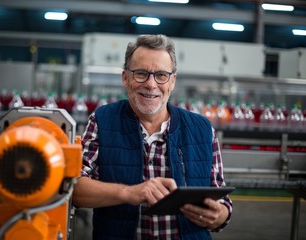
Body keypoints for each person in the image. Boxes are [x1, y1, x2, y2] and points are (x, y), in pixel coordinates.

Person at [72, 34, 232, 240]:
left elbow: (223, 202)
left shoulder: (202, 129)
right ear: (125, 78)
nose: (151, 84)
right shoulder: (102, 121)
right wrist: (129, 193)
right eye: (140, 73)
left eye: (161, 75)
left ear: (172, 81)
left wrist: (219, 215)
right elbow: (75, 188)